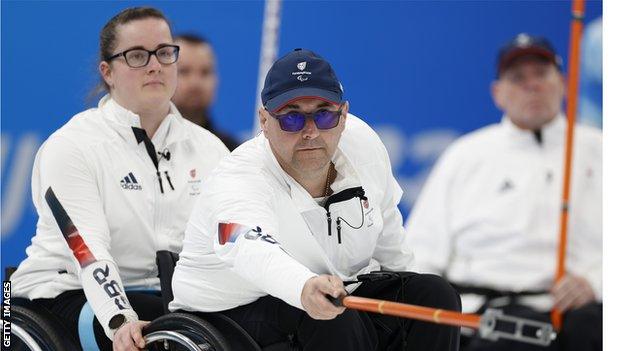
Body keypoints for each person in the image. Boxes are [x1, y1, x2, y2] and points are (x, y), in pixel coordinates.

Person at [170, 48, 461, 351]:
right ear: (264, 120)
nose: (310, 131)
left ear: (344, 115)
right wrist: (303, 287)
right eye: (292, 118)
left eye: (324, 115)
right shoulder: (240, 177)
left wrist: (408, 302)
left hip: (333, 292)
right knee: (330, 315)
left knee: (433, 296)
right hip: (230, 310)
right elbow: (245, 246)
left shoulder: (364, 145)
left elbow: (388, 237)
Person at [9, 7, 229, 351]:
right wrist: (119, 318)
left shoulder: (210, 150)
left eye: (165, 52)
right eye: (137, 55)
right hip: (63, 294)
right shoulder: (72, 146)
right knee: (172, 329)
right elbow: (87, 250)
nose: (155, 64)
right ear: (108, 72)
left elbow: (231, 243)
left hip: (167, 294)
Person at [405, 33, 602, 351]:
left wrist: (597, 281)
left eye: (541, 74)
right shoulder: (465, 154)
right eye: (518, 77)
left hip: (584, 310)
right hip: (489, 314)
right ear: (498, 93)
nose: (532, 85)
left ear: (563, 83)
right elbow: (420, 252)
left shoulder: (603, 150)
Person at [171, 33, 239, 151]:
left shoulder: (231, 152)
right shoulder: (145, 144)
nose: (195, 83)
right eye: (184, 71)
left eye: (205, 72)